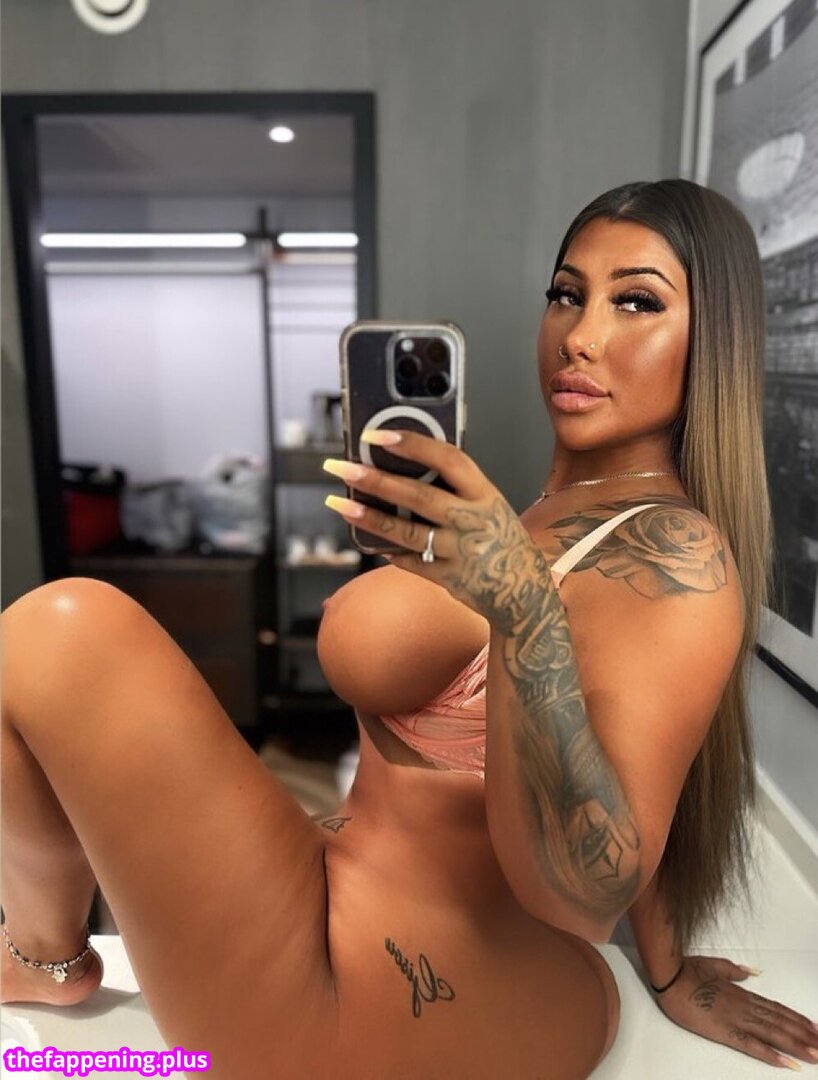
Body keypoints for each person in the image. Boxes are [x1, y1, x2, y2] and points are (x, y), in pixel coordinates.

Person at [2, 178, 816, 1079]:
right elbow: (650, 754)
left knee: (61, 632)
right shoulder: (554, 512)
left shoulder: (676, 555)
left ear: (713, 341)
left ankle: (43, 956)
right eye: (565, 293)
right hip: (346, 899)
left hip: (411, 995)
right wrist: (666, 969)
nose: (580, 336)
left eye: (636, 302)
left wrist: (522, 609)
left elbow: (589, 890)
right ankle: (46, 958)